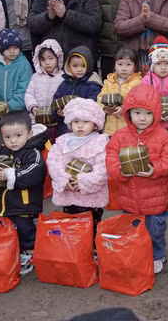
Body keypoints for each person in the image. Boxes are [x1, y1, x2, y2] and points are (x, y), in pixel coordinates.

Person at [105, 83, 168, 275]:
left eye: (147, 113)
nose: (142, 118)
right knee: (133, 230)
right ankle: (137, 253)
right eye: (137, 113)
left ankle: (157, 255)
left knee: (155, 231)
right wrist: (121, 171)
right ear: (128, 113)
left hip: (156, 197)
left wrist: (155, 169)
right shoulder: (119, 137)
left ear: (156, 114)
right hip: (129, 197)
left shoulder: (165, 137)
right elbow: (111, 160)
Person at [0, 112, 47, 275]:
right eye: (7, 137)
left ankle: (29, 253)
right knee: (8, 228)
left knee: (25, 229)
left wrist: (9, 174)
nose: (13, 141)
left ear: (30, 134)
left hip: (24, 204)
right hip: (2, 202)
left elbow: (35, 171)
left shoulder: (32, 153)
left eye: (18, 135)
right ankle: (14, 252)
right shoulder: (0, 150)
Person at [47, 97, 109, 236]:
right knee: (70, 230)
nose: (80, 126)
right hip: (68, 195)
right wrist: (64, 180)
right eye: (76, 122)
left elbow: (103, 168)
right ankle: (74, 256)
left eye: (85, 122)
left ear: (95, 123)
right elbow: (54, 162)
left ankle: (91, 254)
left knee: (91, 230)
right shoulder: (64, 141)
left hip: (92, 198)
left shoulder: (100, 142)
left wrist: (82, 182)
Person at [51, 46, 103, 139]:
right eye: (75, 66)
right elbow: (55, 102)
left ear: (89, 65)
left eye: (83, 66)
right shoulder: (65, 84)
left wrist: (72, 111)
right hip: (65, 129)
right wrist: (58, 112)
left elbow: (93, 107)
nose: (79, 69)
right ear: (68, 66)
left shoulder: (92, 84)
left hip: (86, 130)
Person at [0, 29, 33, 113]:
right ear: (1, 50)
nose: (12, 51)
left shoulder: (24, 65)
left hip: (19, 113)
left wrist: (10, 106)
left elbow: (24, 89)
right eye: (8, 48)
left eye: (15, 47)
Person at [98, 48, 143, 136]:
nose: (124, 68)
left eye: (128, 65)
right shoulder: (108, 81)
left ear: (135, 66)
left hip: (129, 128)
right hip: (110, 129)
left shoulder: (138, 82)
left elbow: (139, 101)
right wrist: (106, 109)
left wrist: (124, 108)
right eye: (120, 64)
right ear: (114, 66)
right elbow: (100, 98)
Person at [24, 39, 65, 126]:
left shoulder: (63, 77)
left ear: (58, 58)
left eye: (50, 58)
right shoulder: (35, 77)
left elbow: (65, 98)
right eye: (43, 59)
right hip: (36, 120)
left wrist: (62, 109)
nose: (47, 63)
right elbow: (29, 94)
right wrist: (33, 107)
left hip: (56, 121)